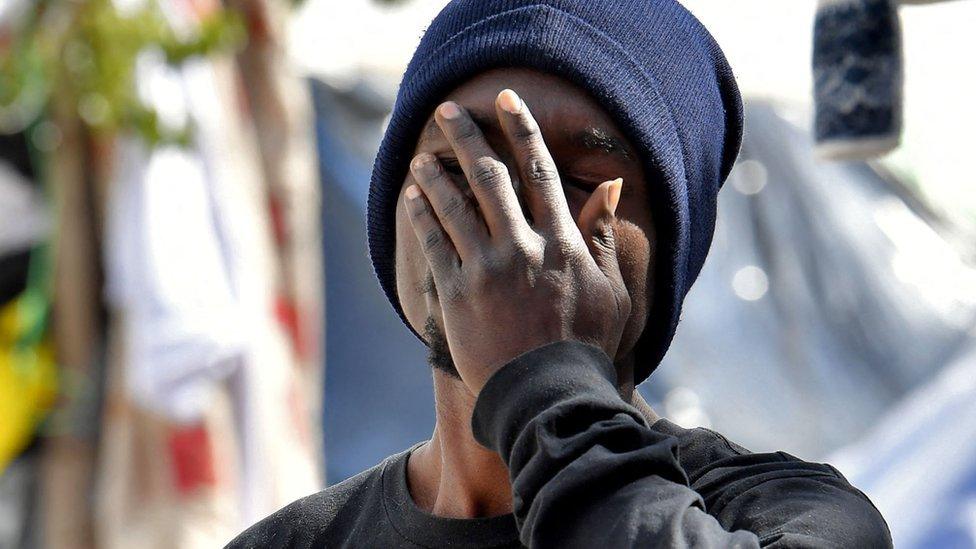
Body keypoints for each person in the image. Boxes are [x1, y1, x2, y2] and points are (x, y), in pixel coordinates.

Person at [228, 0, 892, 547]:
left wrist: (547, 376)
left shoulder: (792, 518)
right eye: (460, 169)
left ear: (669, 247)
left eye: (575, 180)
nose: (510, 215)